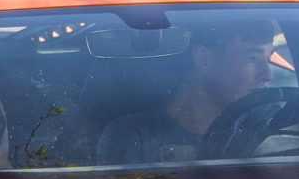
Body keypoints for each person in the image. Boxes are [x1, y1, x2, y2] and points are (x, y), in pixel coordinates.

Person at [97, 18, 278, 165]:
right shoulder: (133, 136)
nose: (268, 75)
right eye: (251, 58)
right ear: (204, 59)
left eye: (268, 58)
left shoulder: (266, 128)